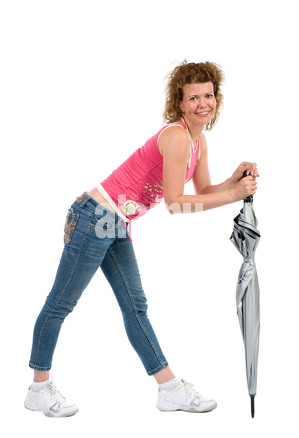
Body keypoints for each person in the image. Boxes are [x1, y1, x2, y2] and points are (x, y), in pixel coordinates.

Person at [24, 61, 259, 417]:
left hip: (116, 223)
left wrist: (233, 181)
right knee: (61, 304)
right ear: (180, 103)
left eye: (208, 95)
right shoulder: (178, 136)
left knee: (135, 308)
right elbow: (176, 204)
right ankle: (38, 389)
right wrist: (233, 195)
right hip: (95, 218)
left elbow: (204, 191)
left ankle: (168, 389)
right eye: (193, 97)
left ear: (217, 98)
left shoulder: (199, 141)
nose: (203, 103)